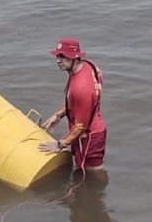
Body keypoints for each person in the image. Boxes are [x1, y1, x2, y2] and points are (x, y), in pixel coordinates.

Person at [37, 38, 106, 171]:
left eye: (63, 56)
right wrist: (58, 115)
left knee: (93, 173)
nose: (58, 60)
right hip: (94, 129)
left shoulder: (81, 87)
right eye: (58, 55)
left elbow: (81, 126)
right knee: (87, 171)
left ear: (74, 57)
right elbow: (82, 103)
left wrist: (59, 144)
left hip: (89, 137)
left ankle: (98, 190)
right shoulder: (89, 65)